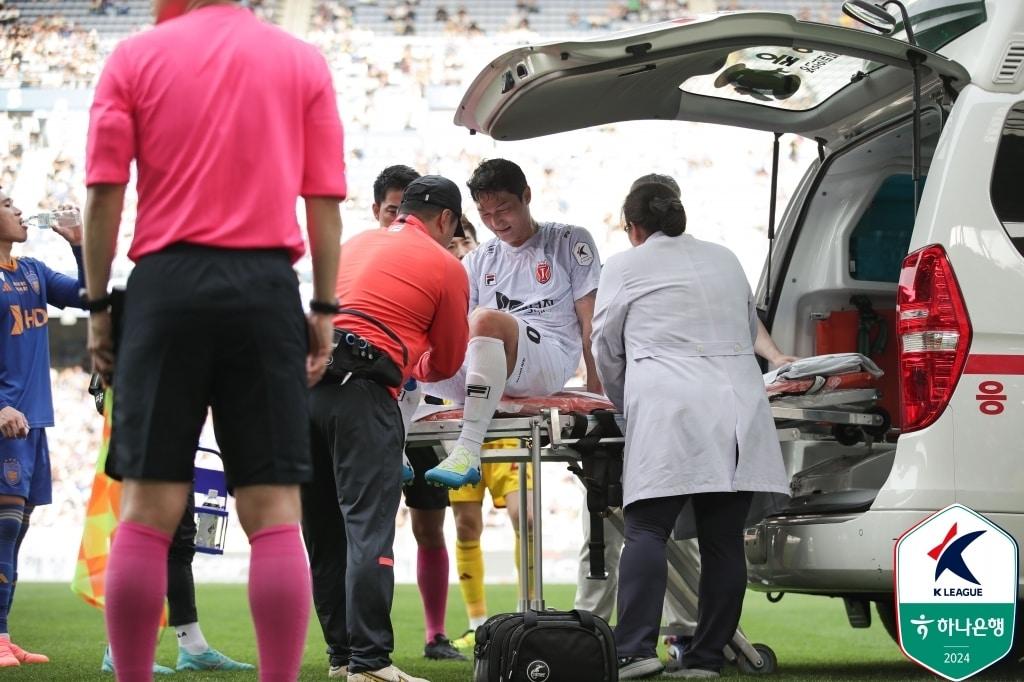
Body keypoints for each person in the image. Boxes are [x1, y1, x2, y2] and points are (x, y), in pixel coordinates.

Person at [82, 0, 346, 677]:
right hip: (264, 286)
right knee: (275, 513)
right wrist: (321, 307)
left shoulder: (135, 56)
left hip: (165, 285)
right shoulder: (299, 60)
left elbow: (105, 191)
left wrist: (98, 306)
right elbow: (323, 201)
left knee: (147, 511)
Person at [574, 173, 796, 637]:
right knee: (722, 539)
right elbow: (744, 330)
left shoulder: (625, 265)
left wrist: (621, 404)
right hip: (737, 406)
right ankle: (708, 656)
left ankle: (634, 649)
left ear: (632, 226)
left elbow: (605, 346)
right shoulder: (726, 258)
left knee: (646, 530)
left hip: (667, 405)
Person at [301, 175, 469, 682]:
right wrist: (412, 358)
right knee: (367, 531)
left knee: (325, 534)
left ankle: (341, 657)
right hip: (363, 391)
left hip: (301, 384)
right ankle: (370, 663)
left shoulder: (356, 242)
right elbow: (447, 362)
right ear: (445, 219)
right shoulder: (445, 265)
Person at [423, 158, 603, 489]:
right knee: (406, 337)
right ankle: (395, 452)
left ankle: (468, 449)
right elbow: (459, 329)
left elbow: (591, 322)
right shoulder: (479, 259)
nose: (495, 222)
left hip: (547, 358)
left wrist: (596, 393)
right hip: (490, 358)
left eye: (503, 209)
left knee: (487, 319)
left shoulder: (568, 241)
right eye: (485, 215)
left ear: (527, 196)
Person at [85, 383, 254, 674]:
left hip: (174, 439)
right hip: (145, 438)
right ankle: (120, 650)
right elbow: (102, 391)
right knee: (145, 543)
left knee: (180, 545)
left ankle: (192, 647)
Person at [370, 164, 465, 663]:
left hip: (425, 411)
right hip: (378, 402)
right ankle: (363, 641)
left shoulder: (441, 261)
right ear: (380, 212)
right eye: (391, 209)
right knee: (372, 523)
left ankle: (435, 633)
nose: (399, 218)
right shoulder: (373, 254)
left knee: (430, 526)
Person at [432, 214, 535, 650]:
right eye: (451, 242)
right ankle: (477, 623)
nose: (458, 249)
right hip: (458, 421)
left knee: (524, 517)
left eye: (465, 241)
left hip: (503, 420)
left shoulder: (494, 279)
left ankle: (527, 614)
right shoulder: (437, 284)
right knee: (467, 525)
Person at [0, 193, 84, 667]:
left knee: (17, 532)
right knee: (4, 531)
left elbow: (90, 296)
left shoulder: (31, 270)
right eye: (6, 203)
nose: (18, 209)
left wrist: (78, 244)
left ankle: (4, 635)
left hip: (34, 423)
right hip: (4, 422)